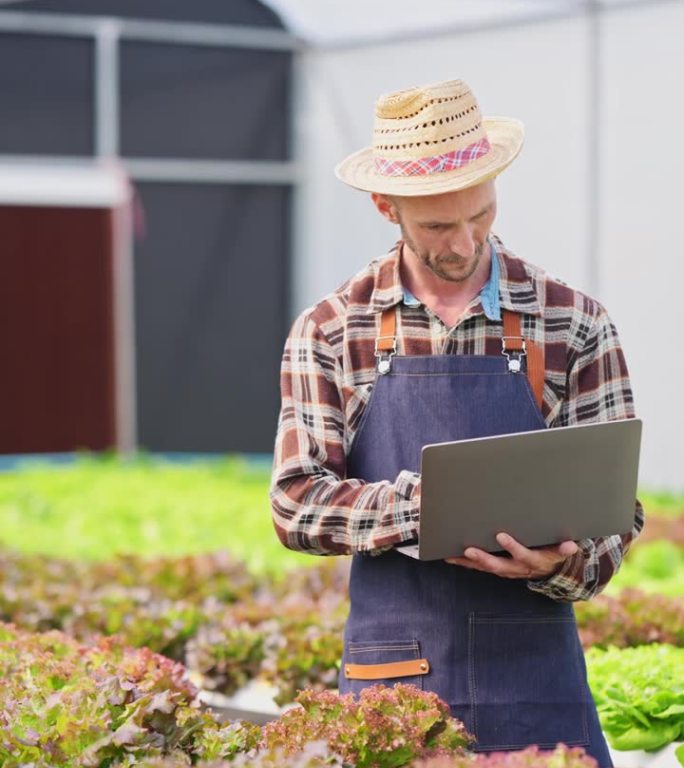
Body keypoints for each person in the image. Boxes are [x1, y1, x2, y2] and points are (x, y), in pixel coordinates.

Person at [270, 78, 643, 767]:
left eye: (481, 213)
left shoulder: (573, 322)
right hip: (395, 680)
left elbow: (614, 510)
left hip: (537, 678)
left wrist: (566, 563)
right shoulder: (332, 329)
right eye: (438, 225)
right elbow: (296, 503)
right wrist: (425, 507)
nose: (465, 241)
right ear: (387, 207)